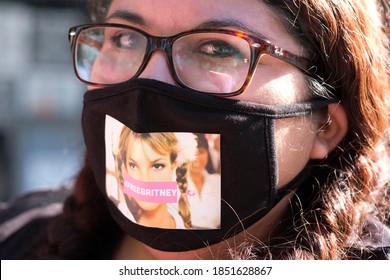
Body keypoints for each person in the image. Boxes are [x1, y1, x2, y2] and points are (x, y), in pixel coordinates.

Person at [0, 0, 389, 260]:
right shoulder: (15, 237)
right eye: (123, 38)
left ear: (325, 126)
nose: (148, 83)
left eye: (218, 49)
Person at [187, 133, 221, 229]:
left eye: (201, 152)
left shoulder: (218, 181)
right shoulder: (174, 182)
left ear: (207, 154)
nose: (196, 158)